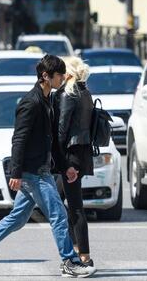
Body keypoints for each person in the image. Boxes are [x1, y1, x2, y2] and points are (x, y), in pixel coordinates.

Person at [0, 55, 97, 278]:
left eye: (64, 74)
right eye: (59, 75)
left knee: (17, 218)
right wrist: (16, 172)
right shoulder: (31, 102)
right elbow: (19, 139)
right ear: (46, 76)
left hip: (40, 169)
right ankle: (69, 261)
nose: (63, 78)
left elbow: (51, 140)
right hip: (33, 172)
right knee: (59, 215)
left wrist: (65, 167)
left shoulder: (47, 101)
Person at [57, 57, 94, 266]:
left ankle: (84, 256)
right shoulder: (85, 93)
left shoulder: (68, 95)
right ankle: (77, 249)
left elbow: (62, 131)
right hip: (80, 154)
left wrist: (56, 156)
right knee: (60, 201)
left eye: (62, 72)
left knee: (74, 207)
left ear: (68, 74)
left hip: (70, 156)